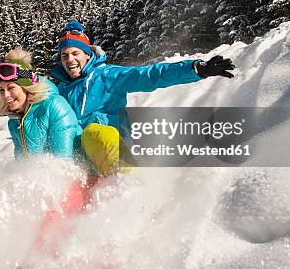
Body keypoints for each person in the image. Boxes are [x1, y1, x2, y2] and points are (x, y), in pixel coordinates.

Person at [50, 20, 236, 176]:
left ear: (87, 54)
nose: (70, 59)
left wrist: (194, 69)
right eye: (64, 55)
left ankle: (124, 181)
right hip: (80, 160)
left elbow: (148, 75)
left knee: (95, 132)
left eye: (75, 53)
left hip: (114, 150)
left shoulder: (106, 75)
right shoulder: (59, 90)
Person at [0, 47, 82, 159]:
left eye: (11, 88)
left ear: (26, 87)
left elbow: (63, 161)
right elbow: (22, 165)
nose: (6, 95)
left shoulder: (54, 106)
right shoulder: (14, 122)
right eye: (2, 90)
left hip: (81, 172)